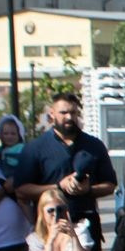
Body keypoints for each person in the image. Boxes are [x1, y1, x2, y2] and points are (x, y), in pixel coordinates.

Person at [12, 94, 117, 237]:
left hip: (85, 224)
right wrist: (59, 187)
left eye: (73, 113)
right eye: (63, 113)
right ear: (52, 114)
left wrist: (88, 189)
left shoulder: (94, 145)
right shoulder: (35, 148)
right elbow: (21, 190)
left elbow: (110, 185)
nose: (69, 117)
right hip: (50, 228)